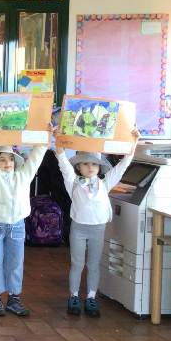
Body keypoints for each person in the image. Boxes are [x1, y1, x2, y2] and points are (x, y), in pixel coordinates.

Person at [56, 129, 139, 317]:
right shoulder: (73, 182)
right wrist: (58, 140)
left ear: (100, 167)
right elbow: (62, 162)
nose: (90, 167)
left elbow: (123, 165)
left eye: (94, 164)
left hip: (98, 229)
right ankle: (74, 296)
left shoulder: (105, 183)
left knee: (93, 264)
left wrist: (133, 142)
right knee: (77, 263)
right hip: (78, 228)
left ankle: (91, 297)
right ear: (79, 167)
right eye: (86, 164)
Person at [0, 128, 49, 317]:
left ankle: (14, 298)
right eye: (2, 159)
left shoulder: (23, 176)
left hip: (17, 226)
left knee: (15, 262)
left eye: (11, 159)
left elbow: (36, 158)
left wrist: (44, 138)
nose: (8, 163)